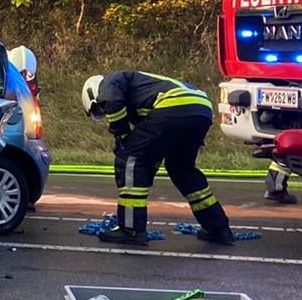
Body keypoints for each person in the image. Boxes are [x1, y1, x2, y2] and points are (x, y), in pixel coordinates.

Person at [81, 71, 234, 247]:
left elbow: (113, 102)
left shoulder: (108, 82)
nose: (103, 112)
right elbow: (152, 142)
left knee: (130, 161)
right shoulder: (143, 92)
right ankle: (218, 228)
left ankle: (130, 229)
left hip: (173, 105)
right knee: (182, 169)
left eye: (99, 109)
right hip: (200, 108)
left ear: (92, 93)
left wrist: (121, 136)